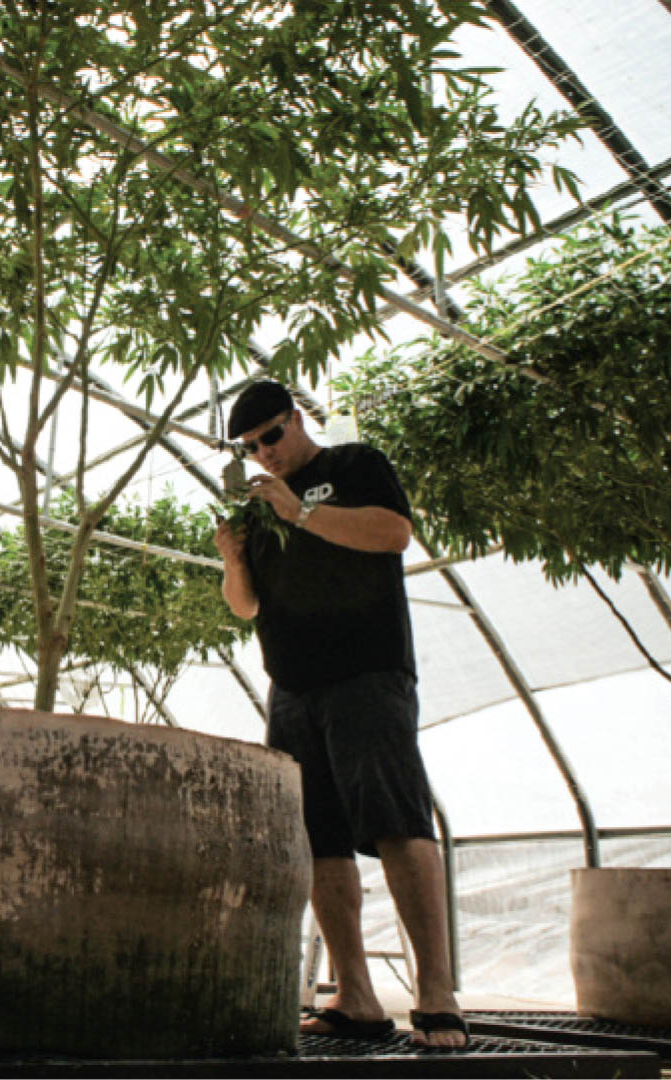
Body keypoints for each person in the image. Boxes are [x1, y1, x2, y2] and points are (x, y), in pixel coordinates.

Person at [213, 379, 468, 1050]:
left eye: (272, 435)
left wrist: (300, 512)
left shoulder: (353, 466)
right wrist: (233, 559)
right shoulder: (257, 511)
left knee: (397, 820)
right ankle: (355, 996)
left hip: (367, 674)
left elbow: (393, 534)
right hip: (293, 689)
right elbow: (244, 607)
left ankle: (436, 995)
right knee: (319, 842)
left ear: (297, 420)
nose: (264, 453)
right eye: (250, 447)